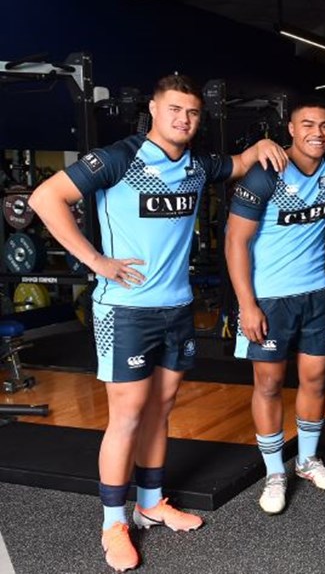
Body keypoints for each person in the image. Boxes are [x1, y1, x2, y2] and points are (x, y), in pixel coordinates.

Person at [28, 74, 286, 572]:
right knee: (127, 415)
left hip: (177, 308)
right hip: (125, 311)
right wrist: (95, 261)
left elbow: (240, 161)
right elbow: (44, 199)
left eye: (191, 113)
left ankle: (150, 503)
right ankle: (113, 522)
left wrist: (263, 143)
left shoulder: (197, 165)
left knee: (162, 408)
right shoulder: (120, 158)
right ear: (153, 108)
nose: (183, 120)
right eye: (174, 110)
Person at [225, 98, 325, 517]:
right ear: (291, 129)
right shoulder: (266, 175)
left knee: (316, 379)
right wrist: (247, 304)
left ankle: (307, 460)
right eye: (308, 125)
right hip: (269, 299)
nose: (318, 132)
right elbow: (235, 242)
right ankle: (274, 472)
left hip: (315, 295)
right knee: (269, 384)